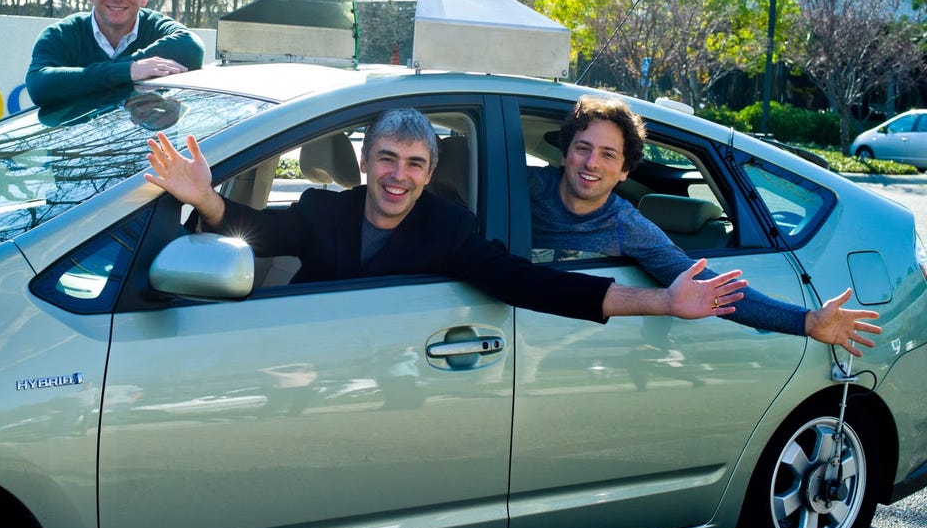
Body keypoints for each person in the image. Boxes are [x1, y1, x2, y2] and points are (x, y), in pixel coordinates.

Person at [144, 108, 750, 324]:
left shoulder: (449, 229)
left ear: (430, 173)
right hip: (318, 359)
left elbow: (530, 283)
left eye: (413, 162)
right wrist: (201, 196)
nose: (397, 175)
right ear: (365, 160)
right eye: (386, 158)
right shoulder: (322, 210)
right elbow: (259, 231)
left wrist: (663, 301)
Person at [528, 94, 881, 355]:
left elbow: (712, 288)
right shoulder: (520, 188)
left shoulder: (627, 227)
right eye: (582, 148)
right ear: (564, 152)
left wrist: (806, 321)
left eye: (608, 154)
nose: (591, 163)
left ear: (624, 171)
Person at [25, 0, 204, 107]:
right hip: (80, 142)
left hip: (151, 141)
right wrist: (129, 70)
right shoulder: (62, 35)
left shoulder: (156, 28)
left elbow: (191, 48)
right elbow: (39, 84)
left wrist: (101, 76)